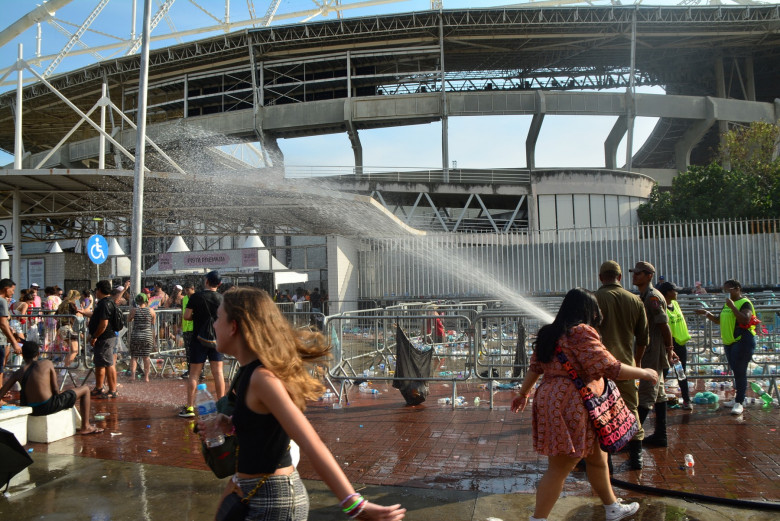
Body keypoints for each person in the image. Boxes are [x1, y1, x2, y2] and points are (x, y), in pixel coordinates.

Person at [199, 286, 405, 521]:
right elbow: (265, 426)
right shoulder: (248, 373)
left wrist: (354, 505)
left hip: (273, 501)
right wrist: (231, 423)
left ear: (234, 326)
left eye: (218, 318)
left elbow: (310, 441)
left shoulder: (262, 378)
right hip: (255, 493)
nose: (214, 325)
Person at [510, 288, 657, 521]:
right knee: (560, 467)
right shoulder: (581, 332)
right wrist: (646, 373)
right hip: (574, 401)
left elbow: (535, 368)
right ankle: (538, 519)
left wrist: (523, 393)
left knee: (597, 458)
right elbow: (610, 368)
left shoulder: (549, 332)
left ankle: (612, 508)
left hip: (551, 397)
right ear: (589, 310)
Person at [594, 260, 649, 470]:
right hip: (626, 365)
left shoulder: (594, 299)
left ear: (601, 278)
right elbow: (644, 338)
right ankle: (636, 457)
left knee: (599, 411)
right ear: (620, 277)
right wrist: (638, 362)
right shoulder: (635, 300)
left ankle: (604, 460)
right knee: (631, 408)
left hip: (599, 367)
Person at [0, 341, 102, 434]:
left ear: (23, 355)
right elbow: (55, 390)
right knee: (85, 389)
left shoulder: (18, 372)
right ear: (38, 354)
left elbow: (1, 392)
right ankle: (86, 426)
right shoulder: (47, 363)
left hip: (31, 409)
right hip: (48, 406)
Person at [630, 261, 677, 448]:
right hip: (651, 349)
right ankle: (661, 435)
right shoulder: (643, 296)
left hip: (653, 351)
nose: (635, 276)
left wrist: (669, 348)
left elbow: (663, 325)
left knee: (646, 394)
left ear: (649, 275)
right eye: (634, 272)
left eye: (639, 273)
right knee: (660, 394)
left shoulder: (652, 298)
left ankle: (633, 439)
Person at [695, 279, 756, 416]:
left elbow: (744, 319)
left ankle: (740, 402)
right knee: (735, 370)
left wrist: (733, 306)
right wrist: (706, 313)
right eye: (724, 290)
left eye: (728, 290)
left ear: (737, 288)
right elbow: (719, 320)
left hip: (742, 341)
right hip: (730, 342)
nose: (726, 293)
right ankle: (738, 398)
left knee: (740, 371)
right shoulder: (727, 304)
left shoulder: (744, 303)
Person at [179, 271, 225, 418]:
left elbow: (186, 316)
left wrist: (198, 317)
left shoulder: (196, 297)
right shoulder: (222, 298)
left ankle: (190, 407)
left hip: (198, 338)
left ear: (206, 282)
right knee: (218, 373)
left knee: (194, 374)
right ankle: (222, 406)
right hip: (216, 339)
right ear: (219, 284)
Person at [657, 281, 692, 410]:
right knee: (663, 373)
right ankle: (657, 401)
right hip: (667, 346)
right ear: (667, 293)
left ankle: (687, 400)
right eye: (674, 291)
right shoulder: (661, 307)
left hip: (679, 344)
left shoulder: (675, 304)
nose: (677, 293)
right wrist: (668, 348)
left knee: (681, 373)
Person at [88, 280, 121, 399]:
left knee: (108, 363)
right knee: (100, 363)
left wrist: (94, 336)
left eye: (96, 290)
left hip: (105, 337)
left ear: (100, 290)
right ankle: (99, 388)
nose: (95, 292)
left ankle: (113, 390)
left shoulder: (105, 304)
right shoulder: (109, 301)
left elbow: (103, 324)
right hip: (106, 337)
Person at [0, 279, 24, 390]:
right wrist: (14, 342)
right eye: (12, 290)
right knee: (0, 368)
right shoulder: (2, 301)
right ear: (6, 288)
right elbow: (3, 324)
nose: (13, 292)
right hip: (0, 340)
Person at [127, 293, 156, 383]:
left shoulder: (134, 310)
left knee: (134, 356)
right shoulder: (151, 311)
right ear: (146, 301)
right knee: (146, 357)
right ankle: (146, 377)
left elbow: (128, 319)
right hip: (147, 336)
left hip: (136, 335)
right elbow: (153, 323)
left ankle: (132, 376)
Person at [56, 290, 83, 370]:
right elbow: (78, 314)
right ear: (75, 297)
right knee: (75, 350)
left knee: (72, 349)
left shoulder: (62, 303)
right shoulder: (72, 304)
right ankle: (64, 369)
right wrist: (81, 309)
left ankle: (62, 366)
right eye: (78, 298)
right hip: (67, 328)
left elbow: (55, 316)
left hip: (60, 328)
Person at [179, 283, 195, 379]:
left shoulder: (197, 298)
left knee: (196, 351)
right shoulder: (184, 299)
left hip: (195, 328)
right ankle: (190, 370)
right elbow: (183, 312)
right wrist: (180, 325)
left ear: (193, 289)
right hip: (186, 328)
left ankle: (200, 371)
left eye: (188, 290)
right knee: (188, 351)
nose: (186, 292)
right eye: (185, 290)